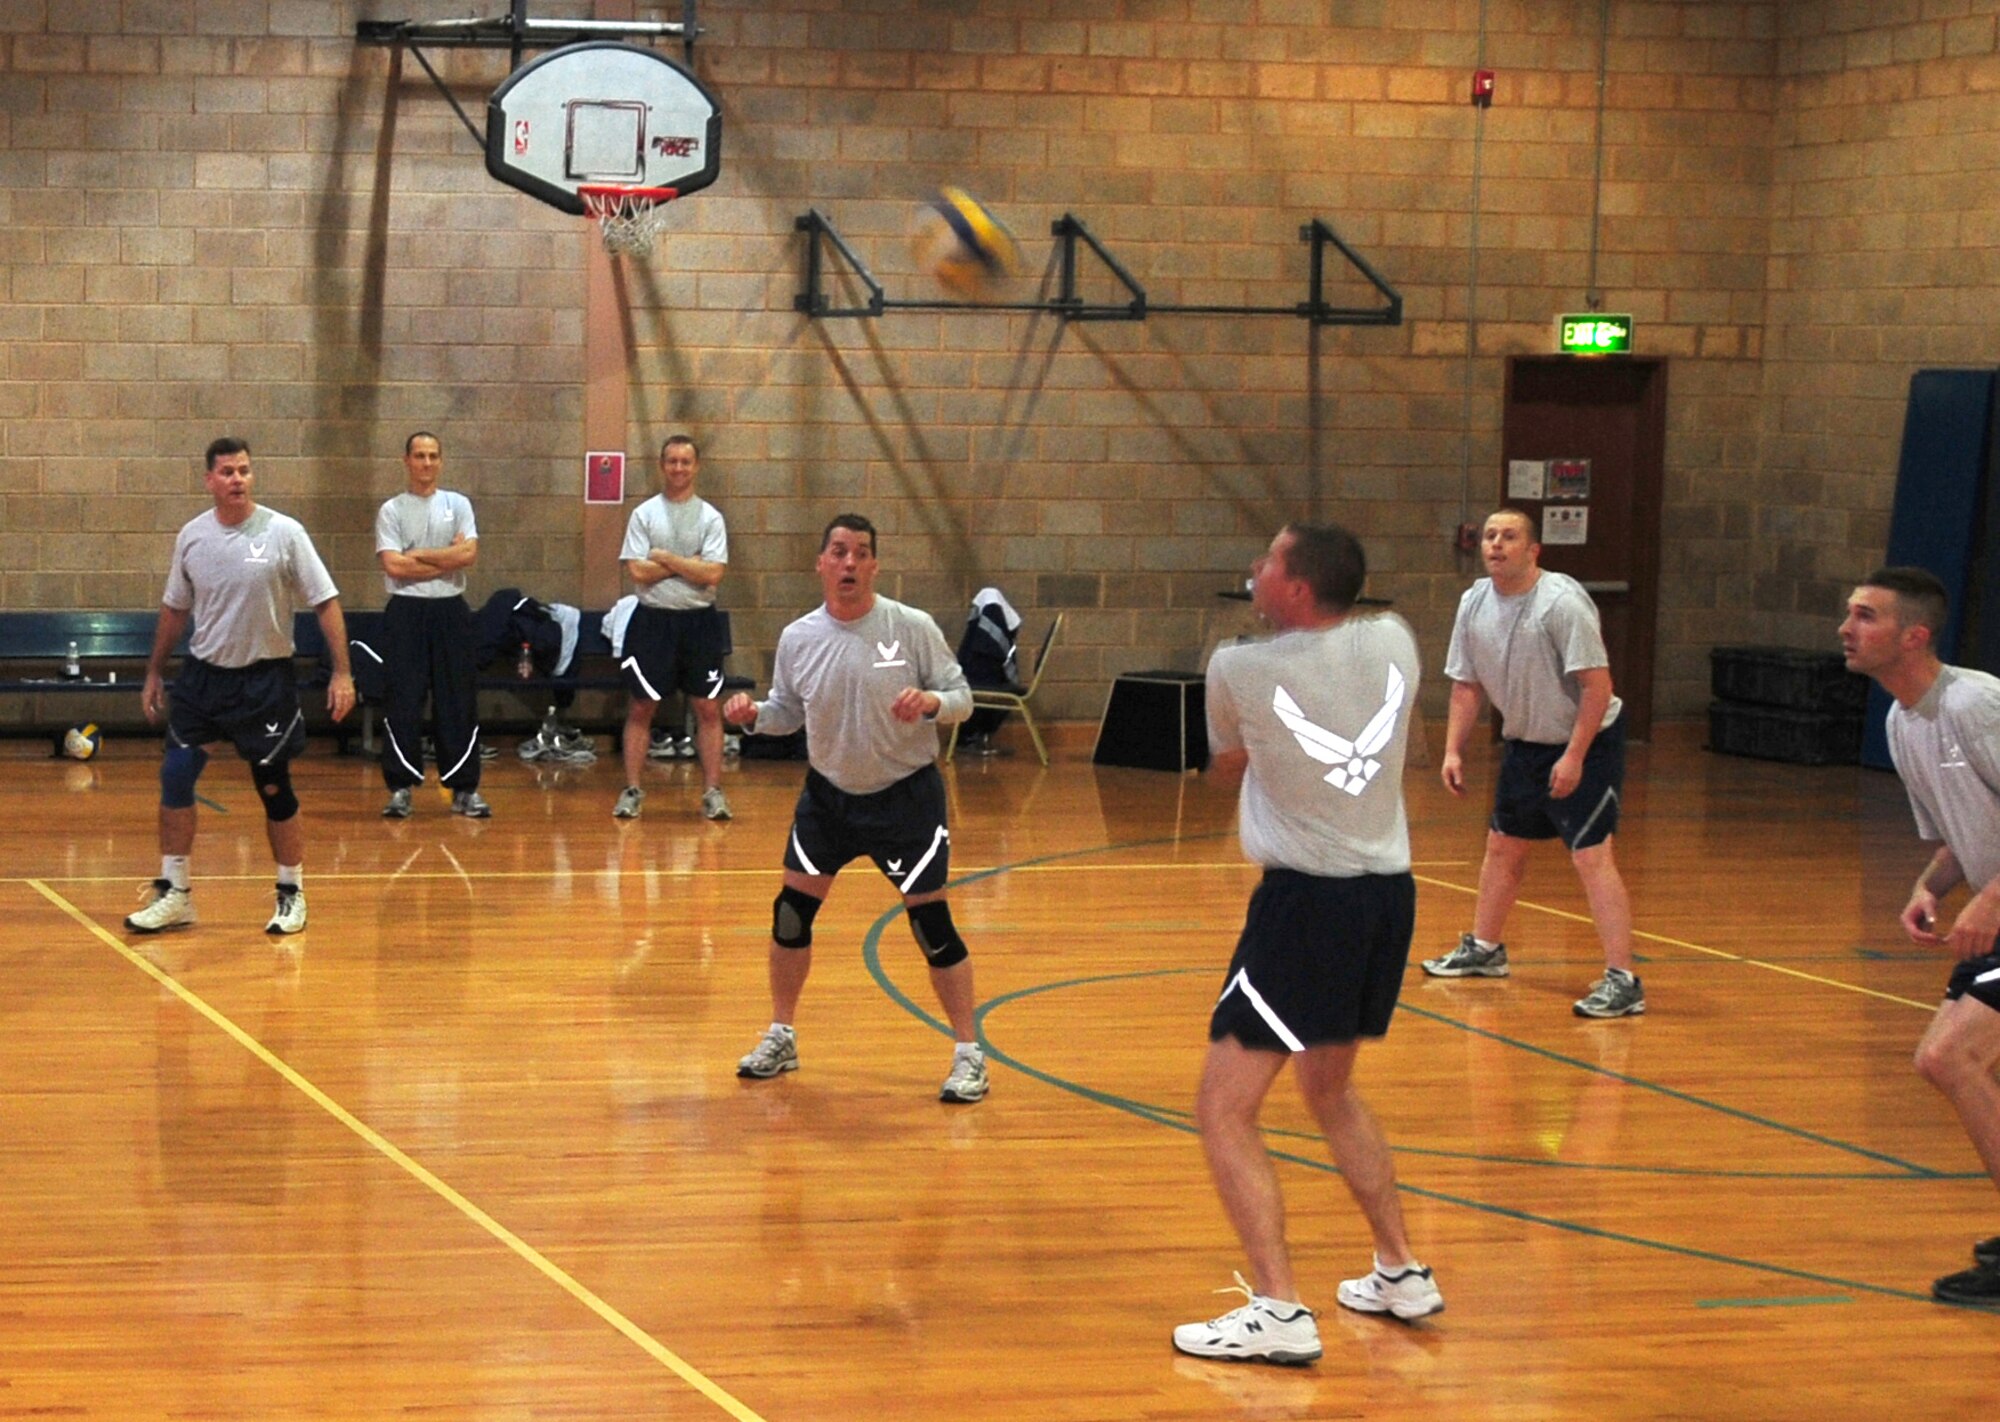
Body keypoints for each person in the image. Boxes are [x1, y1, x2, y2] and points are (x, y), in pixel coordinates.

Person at [1172, 523, 1441, 1368]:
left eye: (1269, 560)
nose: (1254, 568)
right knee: (1329, 1090)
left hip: (1305, 907)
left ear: (1294, 587)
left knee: (1223, 1108)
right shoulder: (1397, 638)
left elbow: (1225, 763)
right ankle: (1400, 1270)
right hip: (1388, 899)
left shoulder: (1238, 667)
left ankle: (1280, 1308)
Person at [721, 513, 987, 1103]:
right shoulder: (799, 637)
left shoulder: (910, 626)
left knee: (931, 927)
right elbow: (787, 710)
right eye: (839, 551)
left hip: (905, 800)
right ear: (821, 563)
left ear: (874, 565)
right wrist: (754, 716)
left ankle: (970, 1053)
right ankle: (782, 1035)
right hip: (829, 798)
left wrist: (932, 702)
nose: (849, 563)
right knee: (791, 916)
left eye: (861, 553)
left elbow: (964, 698)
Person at [1841, 566, 2000, 1307]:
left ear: (1915, 636)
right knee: (1954, 1061)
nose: (1846, 629)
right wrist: (1930, 888)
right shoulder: (1903, 724)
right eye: (1849, 614)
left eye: (1865, 616)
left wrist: (1991, 897)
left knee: (1949, 1056)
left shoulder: (1975, 703)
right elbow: (1961, 836)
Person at [125, 437, 356, 937]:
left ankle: (292, 892)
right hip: (205, 678)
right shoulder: (193, 536)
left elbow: (325, 601)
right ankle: (176, 893)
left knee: (273, 786)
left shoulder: (284, 533)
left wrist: (342, 672)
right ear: (209, 480)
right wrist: (154, 671)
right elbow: (175, 609)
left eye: (244, 471)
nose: (237, 480)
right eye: (227, 472)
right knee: (175, 775)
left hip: (264, 681)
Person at [1423, 508, 1644, 1019]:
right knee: (1503, 846)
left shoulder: (1561, 603)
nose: (1496, 544)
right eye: (1490, 536)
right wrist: (1453, 749)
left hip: (1587, 739)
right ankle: (1485, 949)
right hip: (1525, 744)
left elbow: (1598, 687)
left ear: (1533, 550)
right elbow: (1465, 684)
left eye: (1509, 536)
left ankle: (1623, 980)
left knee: (1591, 856)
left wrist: (1574, 756)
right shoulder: (1474, 602)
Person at [613, 435, 732, 822]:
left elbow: (712, 574)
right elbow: (638, 571)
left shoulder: (710, 518)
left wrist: (663, 558)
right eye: (672, 461)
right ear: (662, 466)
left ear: (696, 467)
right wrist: (687, 563)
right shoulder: (644, 515)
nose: (679, 468)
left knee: (707, 707)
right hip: (653, 623)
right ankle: (633, 790)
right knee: (642, 706)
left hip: (699, 624)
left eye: (685, 461)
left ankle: (713, 792)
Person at [375, 431, 489, 819]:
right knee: (403, 699)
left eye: (433, 456)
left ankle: (464, 788)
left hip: (450, 611)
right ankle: (400, 788)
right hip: (406, 612)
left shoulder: (458, 504)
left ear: (441, 461)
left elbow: (468, 554)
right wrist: (446, 558)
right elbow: (394, 565)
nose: (426, 463)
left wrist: (419, 555)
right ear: (406, 460)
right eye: (419, 456)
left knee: (457, 699)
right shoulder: (392, 510)